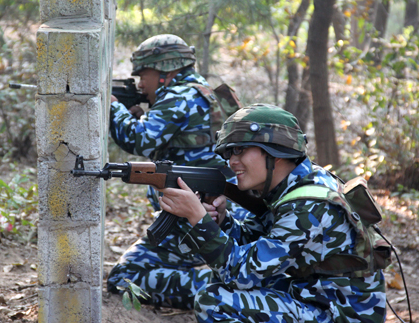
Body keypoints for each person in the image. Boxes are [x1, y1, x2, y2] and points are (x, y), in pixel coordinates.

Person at [158, 103, 387, 322]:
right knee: (217, 281)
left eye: (239, 150)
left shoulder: (309, 205)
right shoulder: (288, 185)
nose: (232, 161)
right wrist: (221, 221)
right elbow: (255, 245)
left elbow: (239, 273)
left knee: (214, 301)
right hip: (316, 296)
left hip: (341, 314)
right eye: (229, 153)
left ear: (275, 151)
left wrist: (198, 219)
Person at [107, 34, 248, 309]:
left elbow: (139, 139)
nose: (140, 83)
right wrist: (136, 114)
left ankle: (219, 289)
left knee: (125, 277)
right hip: (213, 214)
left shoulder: (179, 95)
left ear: (165, 71)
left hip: (197, 217)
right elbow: (179, 140)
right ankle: (214, 274)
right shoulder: (202, 91)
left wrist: (113, 107)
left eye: (143, 74)